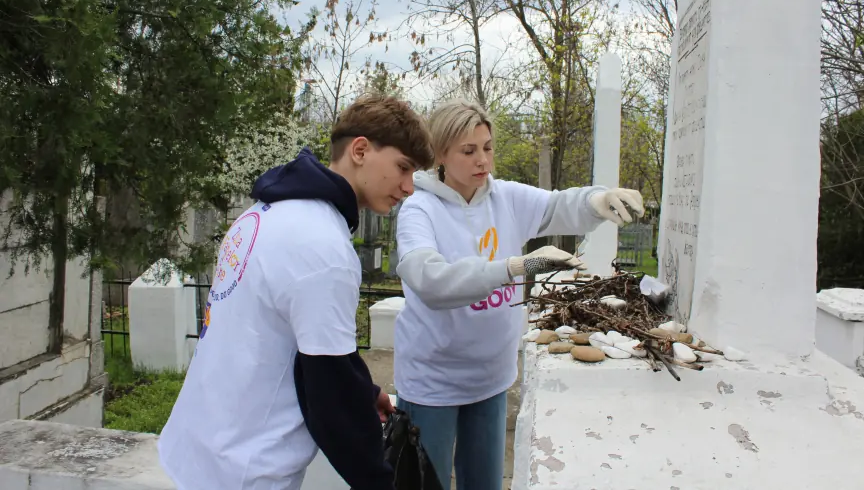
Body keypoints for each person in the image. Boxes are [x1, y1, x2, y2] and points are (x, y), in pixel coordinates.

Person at [158, 94, 434, 490]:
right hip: (248, 470)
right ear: (360, 150)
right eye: (403, 168)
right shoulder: (324, 247)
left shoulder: (263, 213)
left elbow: (291, 339)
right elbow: (330, 393)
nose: (409, 187)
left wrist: (365, 391)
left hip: (198, 449)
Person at [393, 99, 644, 490]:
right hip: (432, 383)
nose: (483, 161)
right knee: (427, 484)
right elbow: (430, 282)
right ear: (441, 153)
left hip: (491, 380)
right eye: (469, 151)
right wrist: (515, 266)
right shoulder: (419, 210)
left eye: (488, 147)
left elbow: (559, 205)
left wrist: (596, 201)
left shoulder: (505, 198)